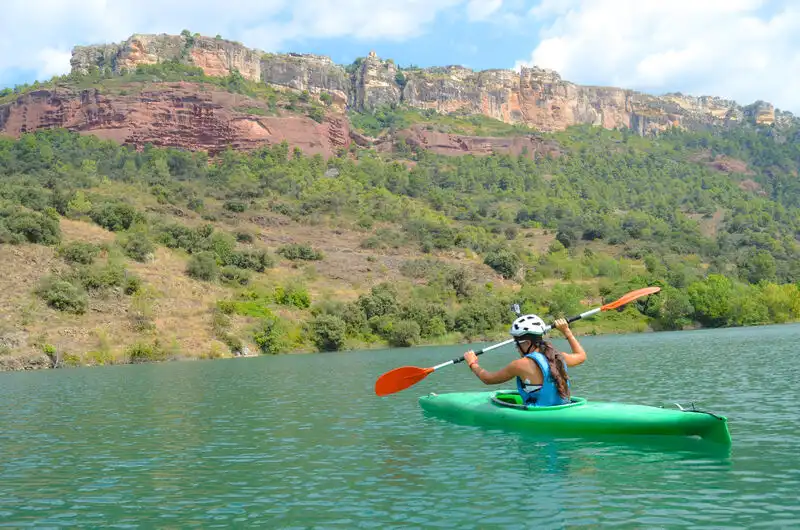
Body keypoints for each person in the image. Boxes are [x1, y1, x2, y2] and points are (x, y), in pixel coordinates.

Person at [463, 314, 587, 407]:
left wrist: (472, 363)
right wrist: (567, 331)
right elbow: (581, 356)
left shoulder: (520, 365)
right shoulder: (558, 356)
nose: (517, 348)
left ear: (527, 343)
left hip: (540, 415)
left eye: (517, 344)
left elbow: (488, 379)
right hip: (564, 407)